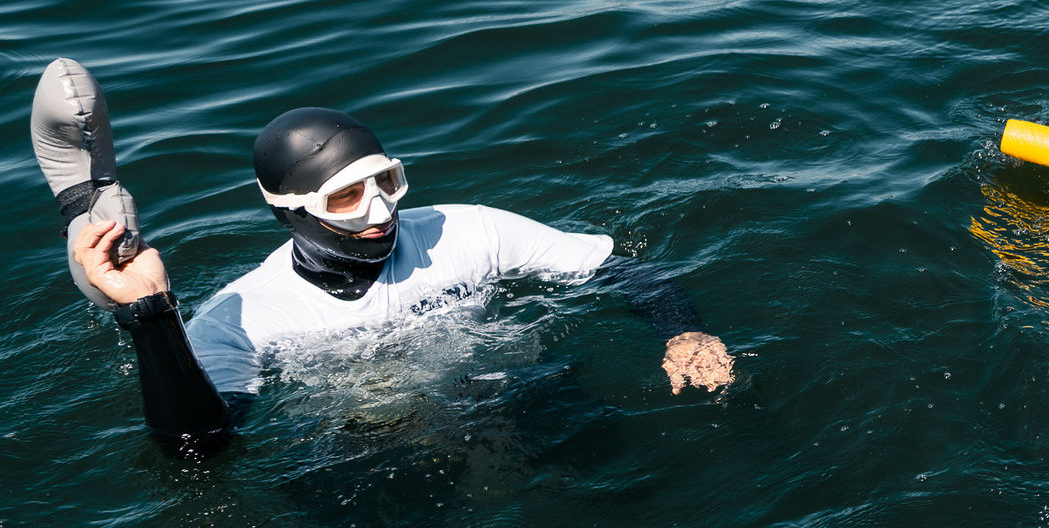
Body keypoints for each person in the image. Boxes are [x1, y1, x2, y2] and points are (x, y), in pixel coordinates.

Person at [46, 94, 732, 459]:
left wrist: (684, 328)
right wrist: (152, 314)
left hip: (497, 399)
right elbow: (203, 449)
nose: (380, 212)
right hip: (362, 444)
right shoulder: (243, 314)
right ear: (292, 211)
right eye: (348, 195)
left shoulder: (468, 230)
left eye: (386, 182)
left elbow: (621, 270)